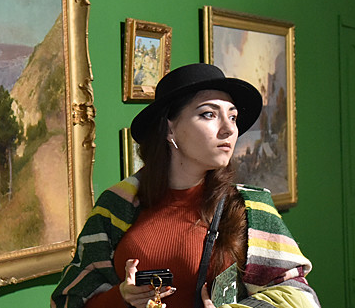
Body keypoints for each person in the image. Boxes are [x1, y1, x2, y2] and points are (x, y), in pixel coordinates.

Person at [50, 63, 320, 308]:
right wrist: (121, 296)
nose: (229, 129)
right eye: (209, 114)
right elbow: (68, 300)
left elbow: (299, 297)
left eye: (233, 117)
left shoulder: (248, 208)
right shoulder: (116, 206)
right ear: (170, 130)